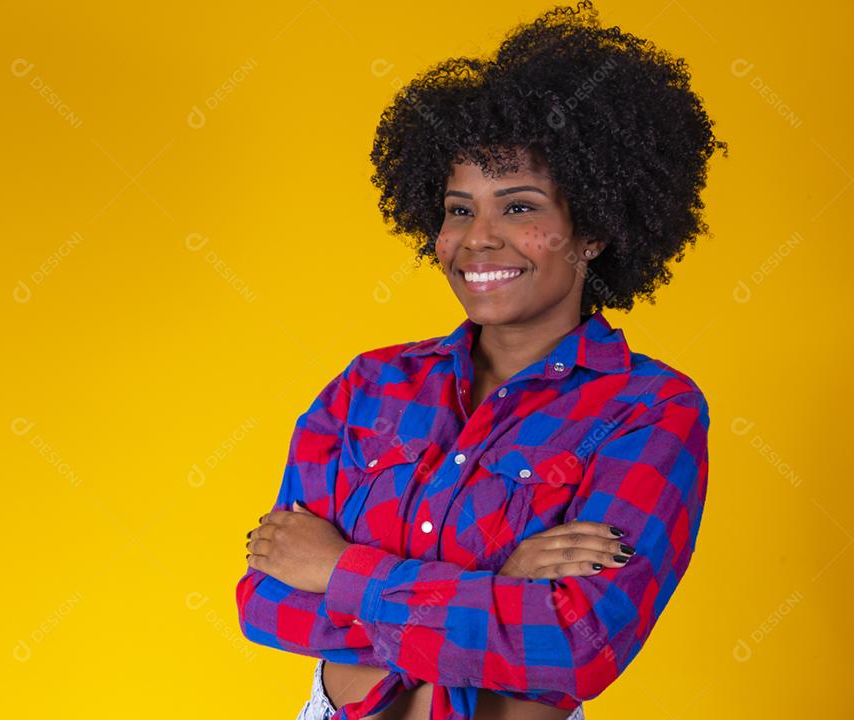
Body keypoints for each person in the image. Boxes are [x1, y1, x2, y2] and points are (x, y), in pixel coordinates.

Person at [235, 1, 726, 718]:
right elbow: (267, 603)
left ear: (592, 230)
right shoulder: (368, 386)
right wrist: (503, 582)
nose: (477, 239)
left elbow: (574, 643)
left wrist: (338, 568)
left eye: (519, 208)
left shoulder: (648, 409)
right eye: (459, 209)